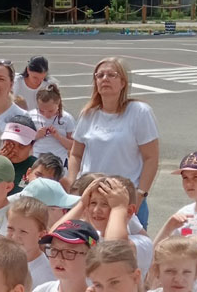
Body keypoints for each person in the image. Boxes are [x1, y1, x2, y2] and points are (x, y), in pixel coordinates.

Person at [68, 58, 159, 227]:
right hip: (91, 198)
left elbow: (151, 158)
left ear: (123, 82)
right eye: (100, 75)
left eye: (111, 75)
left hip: (124, 198)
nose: (105, 79)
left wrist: (140, 194)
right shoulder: (89, 114)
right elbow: (75, 154)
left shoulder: (139, 112)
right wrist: (72, 185)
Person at [30, 82, 74, 167]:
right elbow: (23, 142)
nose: (46, 115)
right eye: (41, 111)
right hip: (36, 160)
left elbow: (73, 146)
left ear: (58, 103)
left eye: (50, 111)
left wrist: (58, 137)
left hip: (59, 162)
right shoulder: (30, 116)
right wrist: (36, 136)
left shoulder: (66, 118)